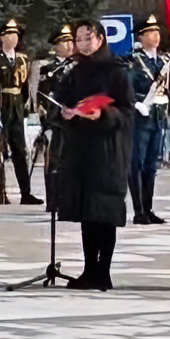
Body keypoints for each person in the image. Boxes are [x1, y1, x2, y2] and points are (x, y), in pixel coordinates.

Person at [53, 19, 134, 291]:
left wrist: (103, 114)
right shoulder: (75, 72)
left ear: (100, 39)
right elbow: (59, 100)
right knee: (87, 212)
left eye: (88, 38)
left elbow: (127, 112)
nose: (84, 45)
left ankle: (103, 271)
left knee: (104, 212)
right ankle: (89, 269)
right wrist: (64, 112)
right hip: (81, 149)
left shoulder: (116, 71)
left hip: (108, 150)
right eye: (79, 40)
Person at [0, 19, 42, 206]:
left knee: (20, 151)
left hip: (17, 108)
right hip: (2, 107)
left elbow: (25, 87)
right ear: (2, 38)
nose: (13, 38)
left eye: (15, 35)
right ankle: (1, 192)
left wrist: (26, 110)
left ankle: (26, 192)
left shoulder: (23, 60)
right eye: (9, 35)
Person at [127, 15, 170, 225]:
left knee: (151, 165)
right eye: (151, 33)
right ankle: (139, 210)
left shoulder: (162, 61)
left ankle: (148, 207)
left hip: (157, 116)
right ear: (141, 37)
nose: (156, 36)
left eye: (157, 32)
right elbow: (126, 87)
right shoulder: (133, 61)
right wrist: (136, 103)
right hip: (140, 117)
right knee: (137, 163)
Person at [37, 24, 75, 213]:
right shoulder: (48, 68)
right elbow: (42, 97)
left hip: (74, 121)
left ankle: (70, 199)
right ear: (56, 46)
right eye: (64, 42)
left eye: (71, 41)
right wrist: (46, 123)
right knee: (53, 162)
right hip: (55, 121)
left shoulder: (78, 66)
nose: (69, 45)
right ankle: (53, 201)